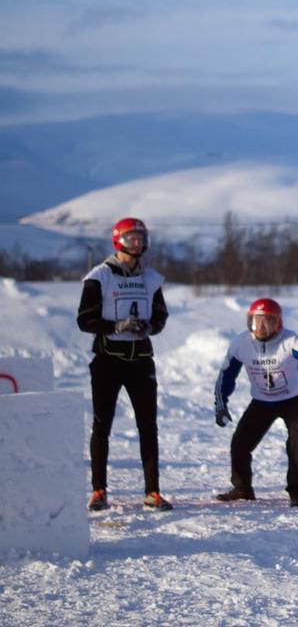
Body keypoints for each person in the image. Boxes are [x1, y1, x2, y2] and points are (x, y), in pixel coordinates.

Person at [77, 217, 173, 511]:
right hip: (108, 360)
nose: (137, 243)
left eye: (141, 238)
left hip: (141, 360)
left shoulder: (151, 278)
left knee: (148, 426)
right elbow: (85, 320)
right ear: (118, 240)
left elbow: (161, 316)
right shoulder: (99, 277)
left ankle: (152, 491)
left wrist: (149, 327)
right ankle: (98, 490)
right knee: (102, 425)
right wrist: (115, 326)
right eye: (131, 238)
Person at [213, 298, 298, 508]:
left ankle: (297, 492)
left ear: (277, 323)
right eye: (255, 321)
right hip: (262, 401)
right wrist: (221, 403)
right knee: (240, 443)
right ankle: (242, 488)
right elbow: (226, 375)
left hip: (293, 399)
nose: (260, 326)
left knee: (296, 439)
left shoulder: (289, 339)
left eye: (267, 321)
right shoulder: (241, 343)